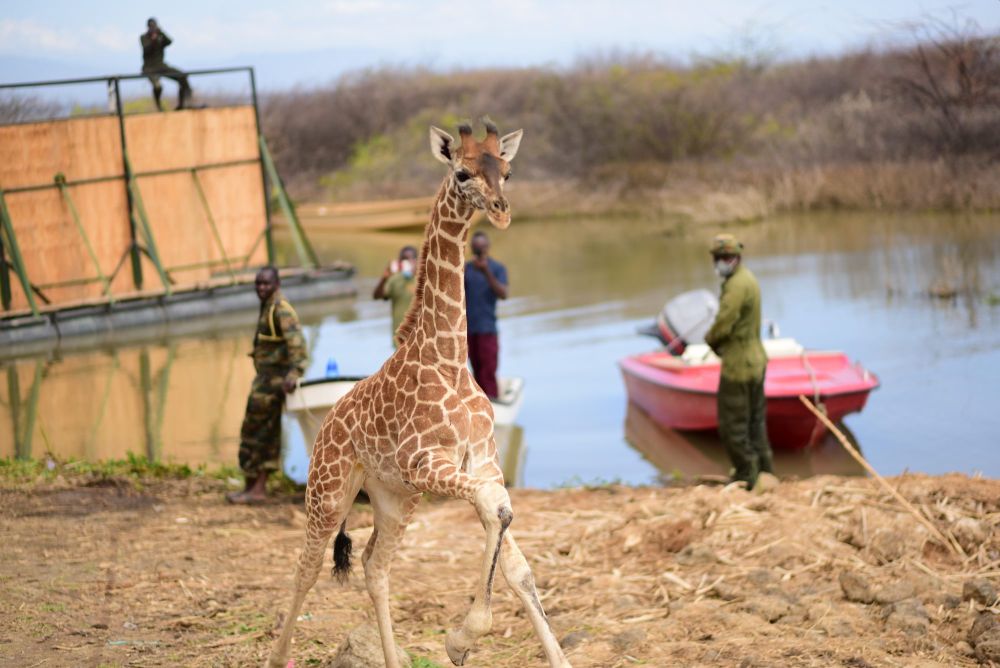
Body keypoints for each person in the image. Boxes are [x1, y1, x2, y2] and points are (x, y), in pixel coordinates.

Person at [227, 267, 306, 504]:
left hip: (273, 383)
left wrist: (293, 374)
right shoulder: (268, 307)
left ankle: (258, 489)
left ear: (277, 284)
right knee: (252, 431)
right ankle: (250, 486)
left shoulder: (281, 310)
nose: (261, 288)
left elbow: (299, 349)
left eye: (266, 284)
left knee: (265, 434)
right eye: (258, 284)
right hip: (263, 381)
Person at [703, 234, 776, 491]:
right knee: (756, 421)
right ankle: (766, 472)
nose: (722, 262)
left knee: (733, 426)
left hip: (739, 366)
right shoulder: (748, 278)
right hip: (756, 361)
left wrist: (710, 340)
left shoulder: (735, 286)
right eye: (719, 258)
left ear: (736, 257)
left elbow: (724, 322)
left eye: (726, 257)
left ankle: (747, 476)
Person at [464, 230, 508, 399]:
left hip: (487, 328)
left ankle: (492, 404)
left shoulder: (497, 268)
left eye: (482, 247)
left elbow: (503, 294)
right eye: (476, 247)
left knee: (488, 371)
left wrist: (486, 272)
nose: (479, 250)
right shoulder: (466, 269)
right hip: (469, 330)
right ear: (471, 248)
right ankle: (480, 403)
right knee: (475, 371)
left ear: (488, 247)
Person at [140, 18, 193, 111]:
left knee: (183, 76)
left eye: (154, 26)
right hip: (149, 68)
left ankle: (182, 104)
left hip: (162, 66)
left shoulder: (160, 36)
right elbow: (147, 49)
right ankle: (159, 106)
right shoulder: (144, 37)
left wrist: (161, 32)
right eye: (151, 26)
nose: (153, 28)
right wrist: (153, 40)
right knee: (158, 86)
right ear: (148, 27)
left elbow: (169, 41)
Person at [373, 245, 418, 348]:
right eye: (404, 260)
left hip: (420, 336)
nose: (408, 262)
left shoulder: (424, 278)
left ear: (417, 260)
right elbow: (376, 296)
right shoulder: (394, 279)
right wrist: (384, 279)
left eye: (411, 259)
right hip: (400, 337)